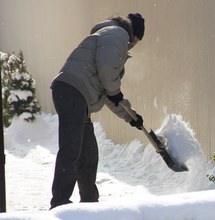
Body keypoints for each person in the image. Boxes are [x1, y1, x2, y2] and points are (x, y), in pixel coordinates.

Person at [49, 13, 145, 209]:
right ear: (133, 33)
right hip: (72, 91)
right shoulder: (118, 34)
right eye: (136, 40)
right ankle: (59, 203)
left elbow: (108, 93)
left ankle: (90, 205)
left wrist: (130, 117)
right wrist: (115, 91)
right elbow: (107, 71)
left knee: (88, 153)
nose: (134, 45)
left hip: (77, 97)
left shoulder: (110, 35)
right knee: (71, 149)